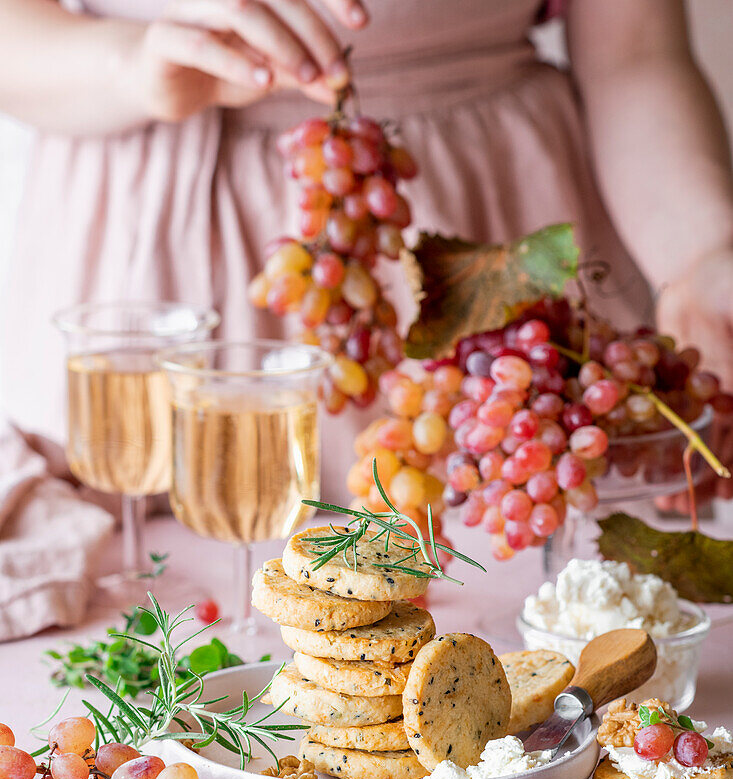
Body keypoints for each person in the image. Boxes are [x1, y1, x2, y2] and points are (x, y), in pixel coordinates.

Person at [0, 0, 731, 498]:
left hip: (487, 242)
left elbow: (634, 55)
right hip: (148, 255)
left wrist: (703, 251)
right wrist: (123, 64)